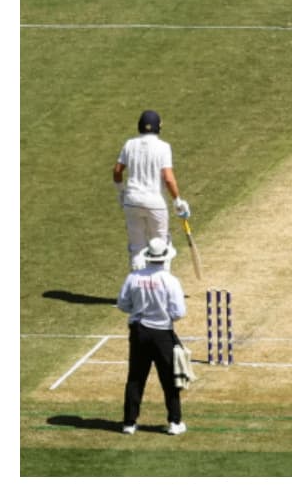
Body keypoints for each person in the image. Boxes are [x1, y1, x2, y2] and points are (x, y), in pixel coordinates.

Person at [117, 237, 186, 436]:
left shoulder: (134, 277)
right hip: (162, 332)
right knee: (169, 378)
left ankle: (129, 423)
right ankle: (174, 421)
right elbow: (179, 312)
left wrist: (138, 310)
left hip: (139, 332)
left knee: (136, 378)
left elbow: (122, 304)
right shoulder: (170, 280)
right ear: (164, 258)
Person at [113, 110, 189, 268]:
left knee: (136, 249)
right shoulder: (163, 147)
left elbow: (117, 171)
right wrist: (177, 201)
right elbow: (168, 178)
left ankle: (137, 289)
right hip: (155, 203)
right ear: (158, 128)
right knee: (161, 247)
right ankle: (161, 289)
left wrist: (121, 192)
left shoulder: (129, 144)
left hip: (131, 201)